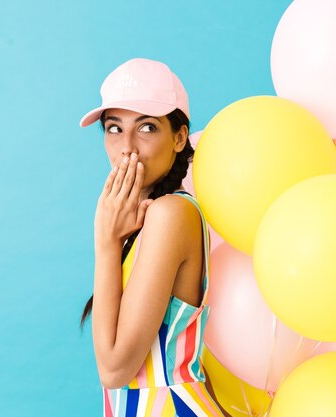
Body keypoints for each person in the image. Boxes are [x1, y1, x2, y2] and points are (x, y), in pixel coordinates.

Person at [79, 58, 226, 417]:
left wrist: (105, 240)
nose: (127, 147)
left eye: (146, 127)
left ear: (179, 137)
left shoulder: (170, 214)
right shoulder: (143, 221)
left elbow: (114, 370)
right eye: (114, 129)